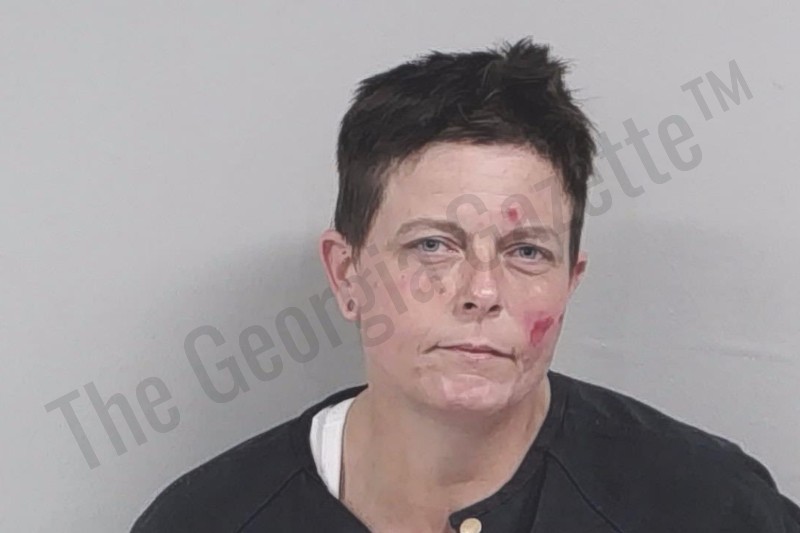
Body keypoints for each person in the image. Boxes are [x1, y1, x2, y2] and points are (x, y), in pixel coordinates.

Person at [131, 37, 800, 533]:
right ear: (346, 274)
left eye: (527, 251)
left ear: (571, 281)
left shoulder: (705, 505)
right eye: (432, 245)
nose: (482, 291)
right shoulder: (206, 519)